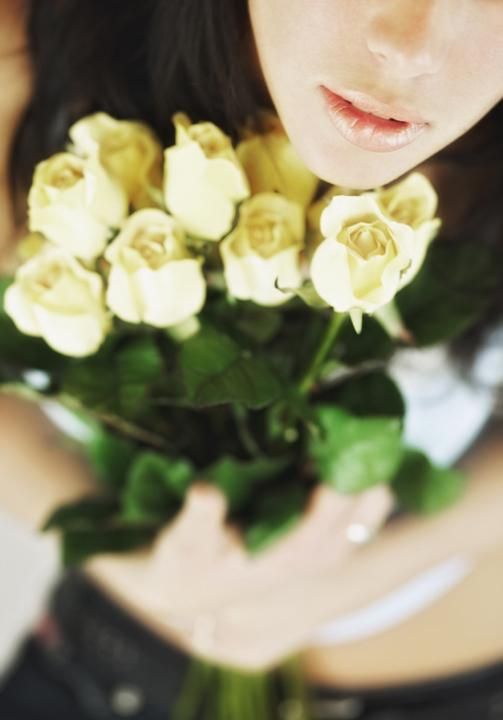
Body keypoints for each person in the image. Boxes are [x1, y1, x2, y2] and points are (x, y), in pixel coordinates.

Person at [1, 0, 503, 717]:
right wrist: (137, 573)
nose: (409, 45)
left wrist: (352, 576)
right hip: (106, 676)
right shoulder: (32, 48)